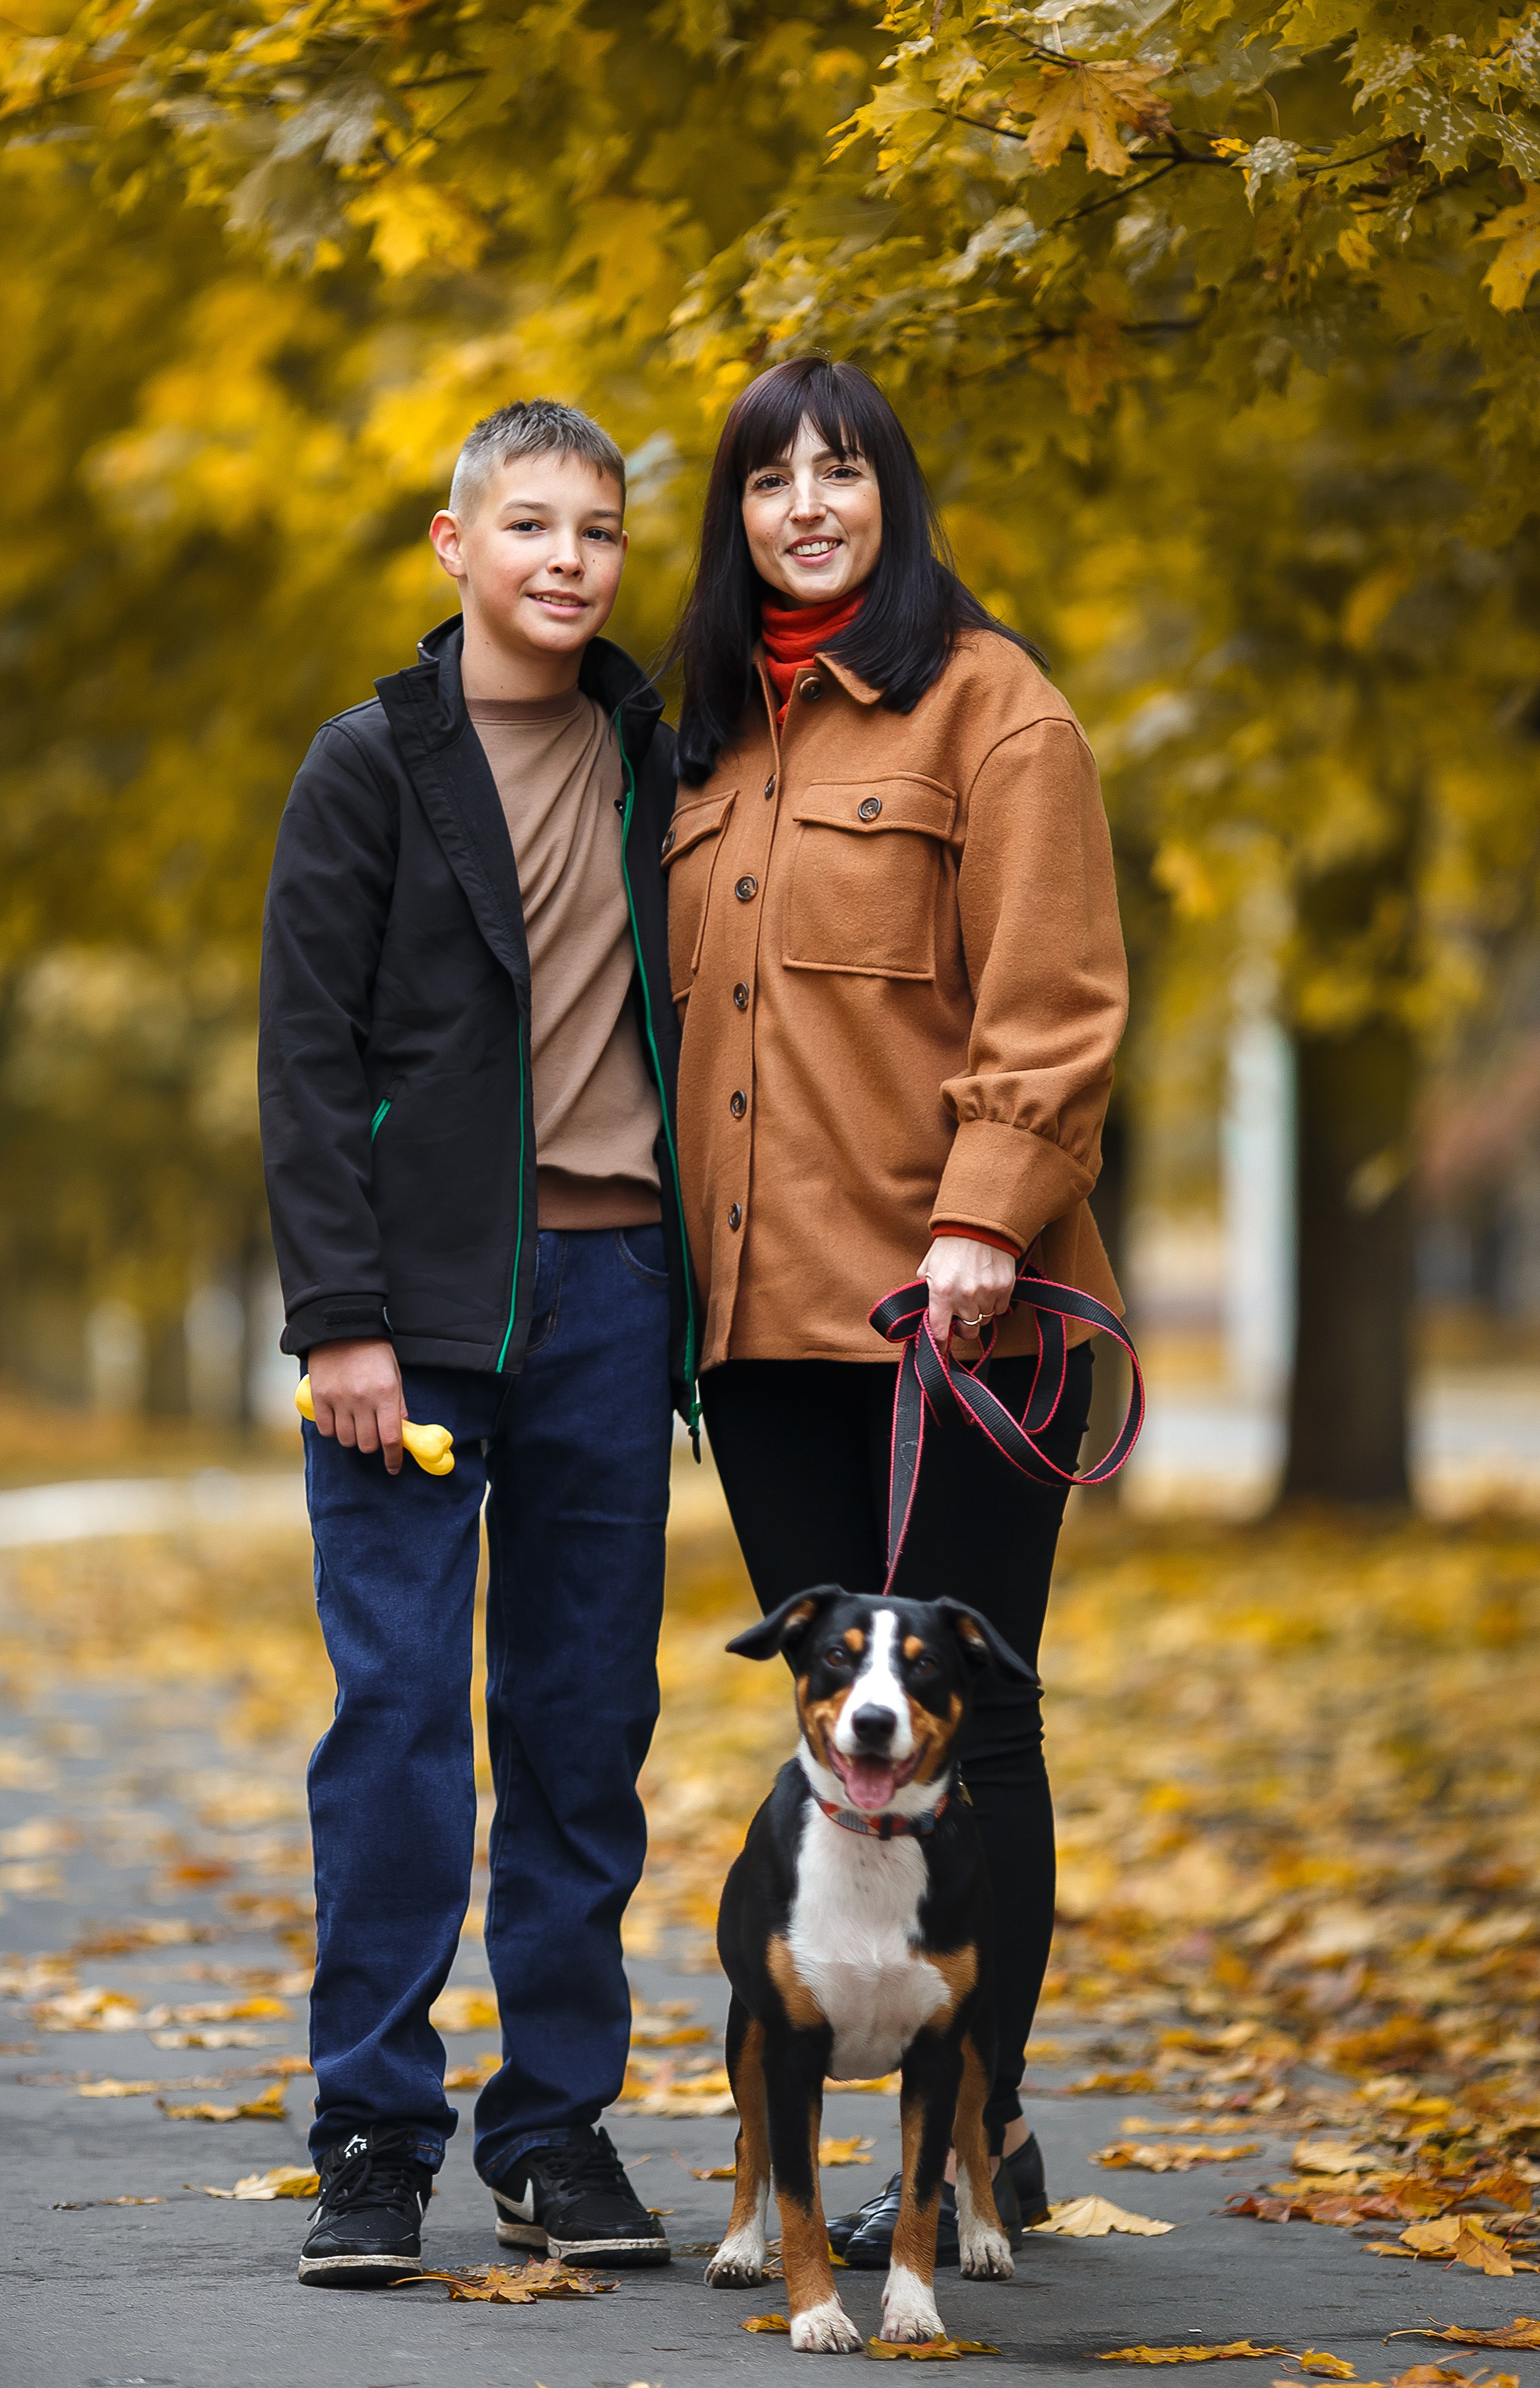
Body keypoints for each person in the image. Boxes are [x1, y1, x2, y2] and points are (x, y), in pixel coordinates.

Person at [662, 355, 1127, 2260]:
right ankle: (865, 2132)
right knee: (831, 1723)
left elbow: (1058, 990)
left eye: (841, 474)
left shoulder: (992, 707)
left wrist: (990, 1217)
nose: (807, 507)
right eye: (771, 481)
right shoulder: (696, 742)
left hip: (960, 1315)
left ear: (890, 496)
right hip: (765, 1333)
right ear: (737, 517)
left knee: (972, 1726)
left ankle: (975, 2132)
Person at [258, 399, 697, 2286]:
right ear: (456, 545)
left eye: (598, 529)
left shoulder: (667, 757)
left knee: (587, 1729)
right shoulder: (370, 763)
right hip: (417, 1326)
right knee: (400, 1723)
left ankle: (554, 2130)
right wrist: (340, 1324)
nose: (569, 559)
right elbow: (304, 1060)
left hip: (615, 1300)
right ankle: (373, 2129)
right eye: (530, 524)